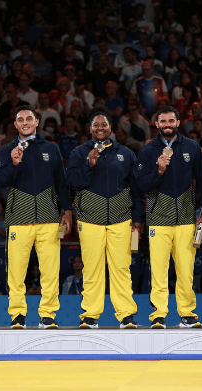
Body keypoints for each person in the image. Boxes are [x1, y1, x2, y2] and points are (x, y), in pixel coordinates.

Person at [0, 105, 72, 330]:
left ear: (37, 122)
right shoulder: (5, 150)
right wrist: (13, 163)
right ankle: (17, 315)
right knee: (16, 273)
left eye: (30, 118)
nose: (25, 122)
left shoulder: (52, 148)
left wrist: (66, 210)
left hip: (48, 219)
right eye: (21, 119)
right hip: (18, 219)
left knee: (50, 271)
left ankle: (47, 315)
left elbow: (61, 183)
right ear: (15, 125)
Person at [66, 107, 144, 329]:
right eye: (96, 125)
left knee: (121, 268)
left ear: (111, 128)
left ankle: (126, 315)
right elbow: (72, 181)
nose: (100, 128)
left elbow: (137, 190)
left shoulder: (126, 154)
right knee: (92, 269)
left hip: (121, 219)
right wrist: (89, 164)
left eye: (104, 124)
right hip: (90, 219)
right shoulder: (79, 153)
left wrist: (138, 219)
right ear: (90, 129)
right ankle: (91, 316)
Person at [135, 105, 202, 329]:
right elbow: (141, 186)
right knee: (158, 270)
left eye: (171, 121)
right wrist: (158, 171)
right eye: (163, 122)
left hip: (187, 218)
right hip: (158, 219)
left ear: (178, 123)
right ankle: (158, 315)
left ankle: (187, 314)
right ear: (156, 124)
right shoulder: (148, 151)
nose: (167, 125)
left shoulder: (192, 147)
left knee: (185, 270)